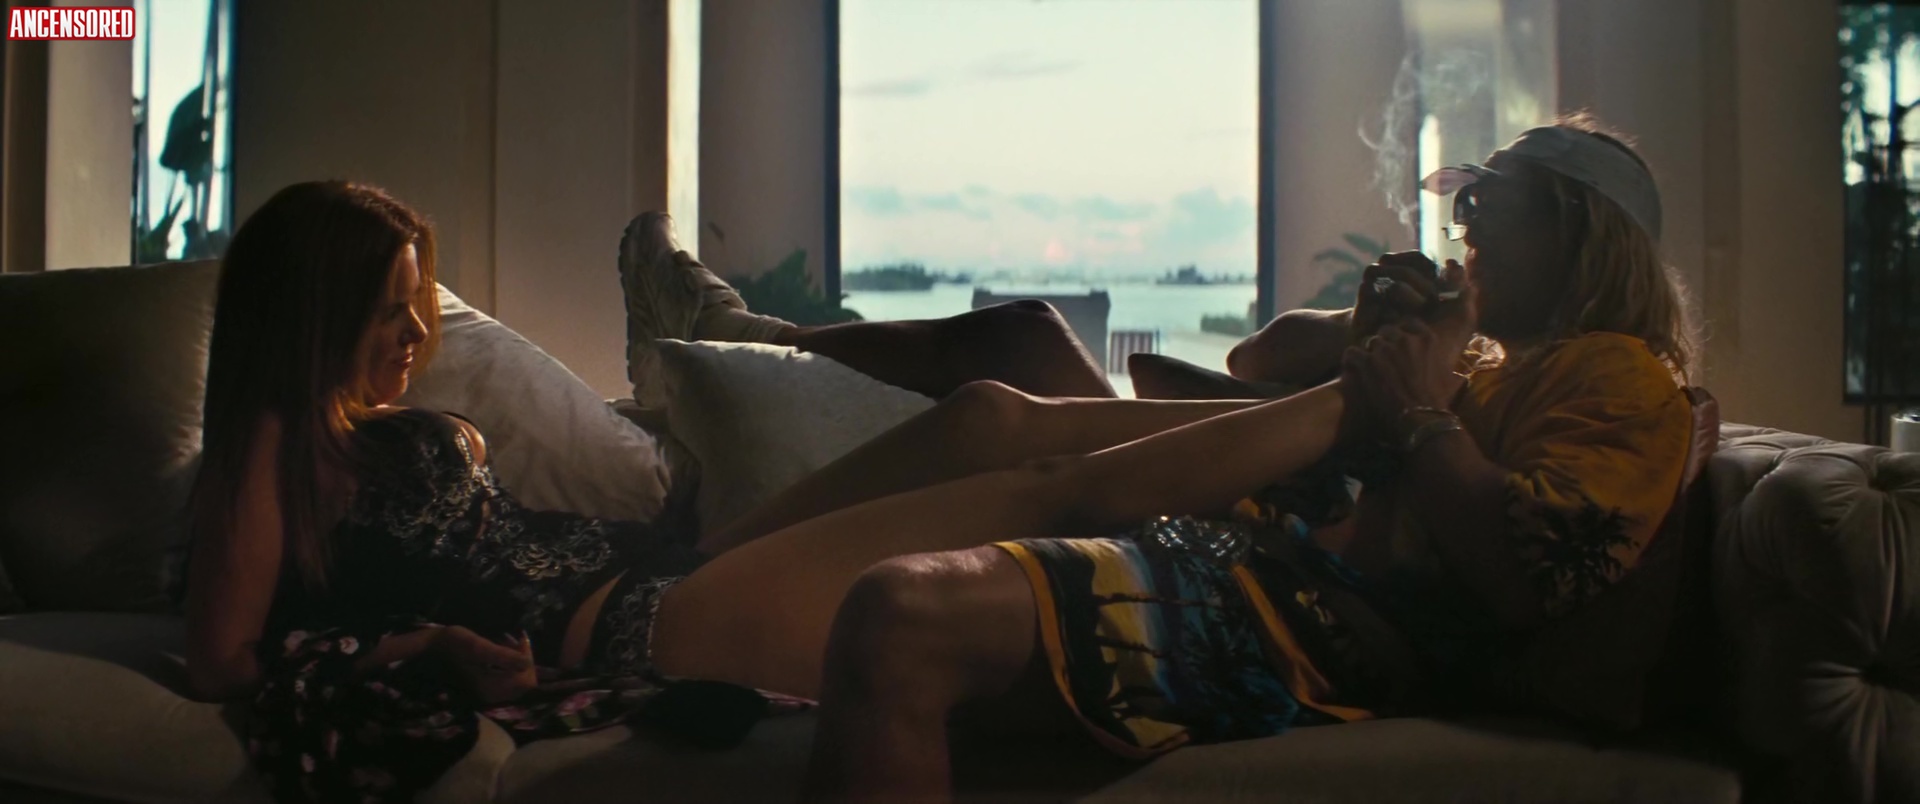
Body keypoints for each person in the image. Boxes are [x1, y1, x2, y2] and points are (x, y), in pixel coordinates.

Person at [184, 182, 1299, 803]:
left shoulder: (374, 429)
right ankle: (1340, 421)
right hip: (634, 628)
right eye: (388, 312)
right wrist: (421, 647)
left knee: (987, 415)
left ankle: (1300, 439)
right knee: (1044, 487)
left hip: (667, 567)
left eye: (417, 306)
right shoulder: (273, 447)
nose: (414, 336)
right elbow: (224, 659)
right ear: (313, 314)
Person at [796, 114, 1699, 803]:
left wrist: (1419, 414)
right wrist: (1374, 331)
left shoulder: (1619, 378)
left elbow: (1529, 574)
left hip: (1317, 629)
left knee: (901, 612)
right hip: (1254, 567)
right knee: (975, 440)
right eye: (1462, 203)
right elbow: (1257, 359)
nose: (1464, 225)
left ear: (1578, 230)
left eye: (1489, 204)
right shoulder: (1475, 353)